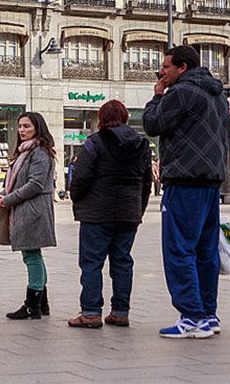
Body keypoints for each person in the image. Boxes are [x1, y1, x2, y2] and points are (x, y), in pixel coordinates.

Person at [143, 45, 230, 339]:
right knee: (206, 251)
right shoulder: (217, 95)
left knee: (179, 248)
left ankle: (191, 316)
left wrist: (157, 96)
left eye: (166, 67)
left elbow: (152, 124)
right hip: (210, 180)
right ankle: (208, 314)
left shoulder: (182, 92)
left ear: (182, 68)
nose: (161, 71)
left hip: (184, 179)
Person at [66, 101, 153, 329]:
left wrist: (78, 199)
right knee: (122, 261)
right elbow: (147, 182)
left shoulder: (96, 142)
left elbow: (81, 177)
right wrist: (138, 208)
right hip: (128, 213)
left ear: (101, 118)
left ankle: (91, 312)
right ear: (125, 117)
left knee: (92, 263)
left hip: (97, 213)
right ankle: (120, 311)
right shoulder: (141, 144)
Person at [0, 112, 58, 321]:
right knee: (33, 255)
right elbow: (18, 181)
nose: (22, 130)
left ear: (37, 128)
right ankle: (41, 303)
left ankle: (32, 305)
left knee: (32, 255)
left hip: (33, 211)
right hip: (27, 209)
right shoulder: (26, 151)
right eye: (20, 126)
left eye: (27, 126)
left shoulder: (39, 152)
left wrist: (9, 199)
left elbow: (35, 184)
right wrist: (3, 193)